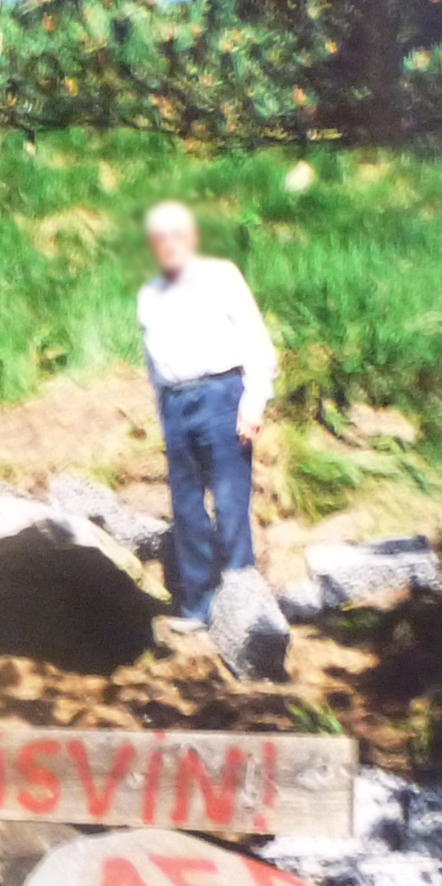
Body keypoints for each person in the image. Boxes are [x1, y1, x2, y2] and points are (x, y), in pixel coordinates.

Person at [138, 201, 277, 630]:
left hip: (222, 395)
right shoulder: (149, 291)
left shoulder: (221, 274)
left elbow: (257, 339)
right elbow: (151, 356)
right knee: (186, 506)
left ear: (192, 237)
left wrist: (255, 399)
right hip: (175, 403)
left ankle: (244, 609)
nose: (170, 244)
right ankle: (197, 606)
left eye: (177, 234)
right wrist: (162, 404)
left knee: (231, 501)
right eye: (161, 237)